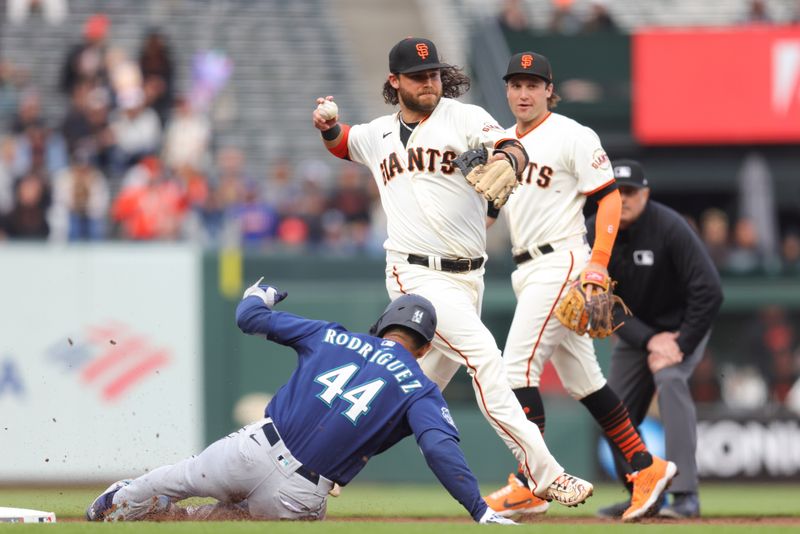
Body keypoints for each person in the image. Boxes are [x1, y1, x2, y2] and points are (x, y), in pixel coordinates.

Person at [311, 37, 593, 508]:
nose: (429, 82)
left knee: (408, 393)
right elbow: (344, 143)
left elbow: (507, 145)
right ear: (394, 81)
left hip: (469, 279)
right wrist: (328, 125)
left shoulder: (464, 117)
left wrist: (507, 159)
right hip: (415, 276)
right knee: (487, 360)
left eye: (435, 74)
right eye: (419, 76)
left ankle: (323, 467)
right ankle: (545, 473)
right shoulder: (378, 134)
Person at [86, 283, 515, 524]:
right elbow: (440, 449)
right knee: (222, 522)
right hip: (299, 494)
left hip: (252, 450)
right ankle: (181, 518)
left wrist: (261, 294)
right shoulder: (420, 388)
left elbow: (247, 318)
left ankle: (118, 505)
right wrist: (479, 510)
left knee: (175, 479)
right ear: (423, 349)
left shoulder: (331, 335)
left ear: (383, 324)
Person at [482, 52, 676, 523]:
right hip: (526, 265)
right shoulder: (502, 142)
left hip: (562, 260)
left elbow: (608, 198)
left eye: (534, 84)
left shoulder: (573, 134)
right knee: (585, 381)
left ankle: (533, 483)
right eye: (516, 84)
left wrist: (597, 265)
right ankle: (644, 467)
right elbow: (489, 211)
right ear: (507, 90)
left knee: (514, 373)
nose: (524, 93)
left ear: (551, 90)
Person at [589, 160, 723, 519]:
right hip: (637, 334)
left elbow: (709, 291)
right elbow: (603, 307)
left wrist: (679, 344)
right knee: (610, 407)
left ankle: (685, 495)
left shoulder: (669, 226)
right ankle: (643, 494)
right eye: (617, 192)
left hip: (683, 326)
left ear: (645, 194)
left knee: (670, 379)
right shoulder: (596, 231)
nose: (625, 198)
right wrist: (649, 341)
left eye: (631, 192)